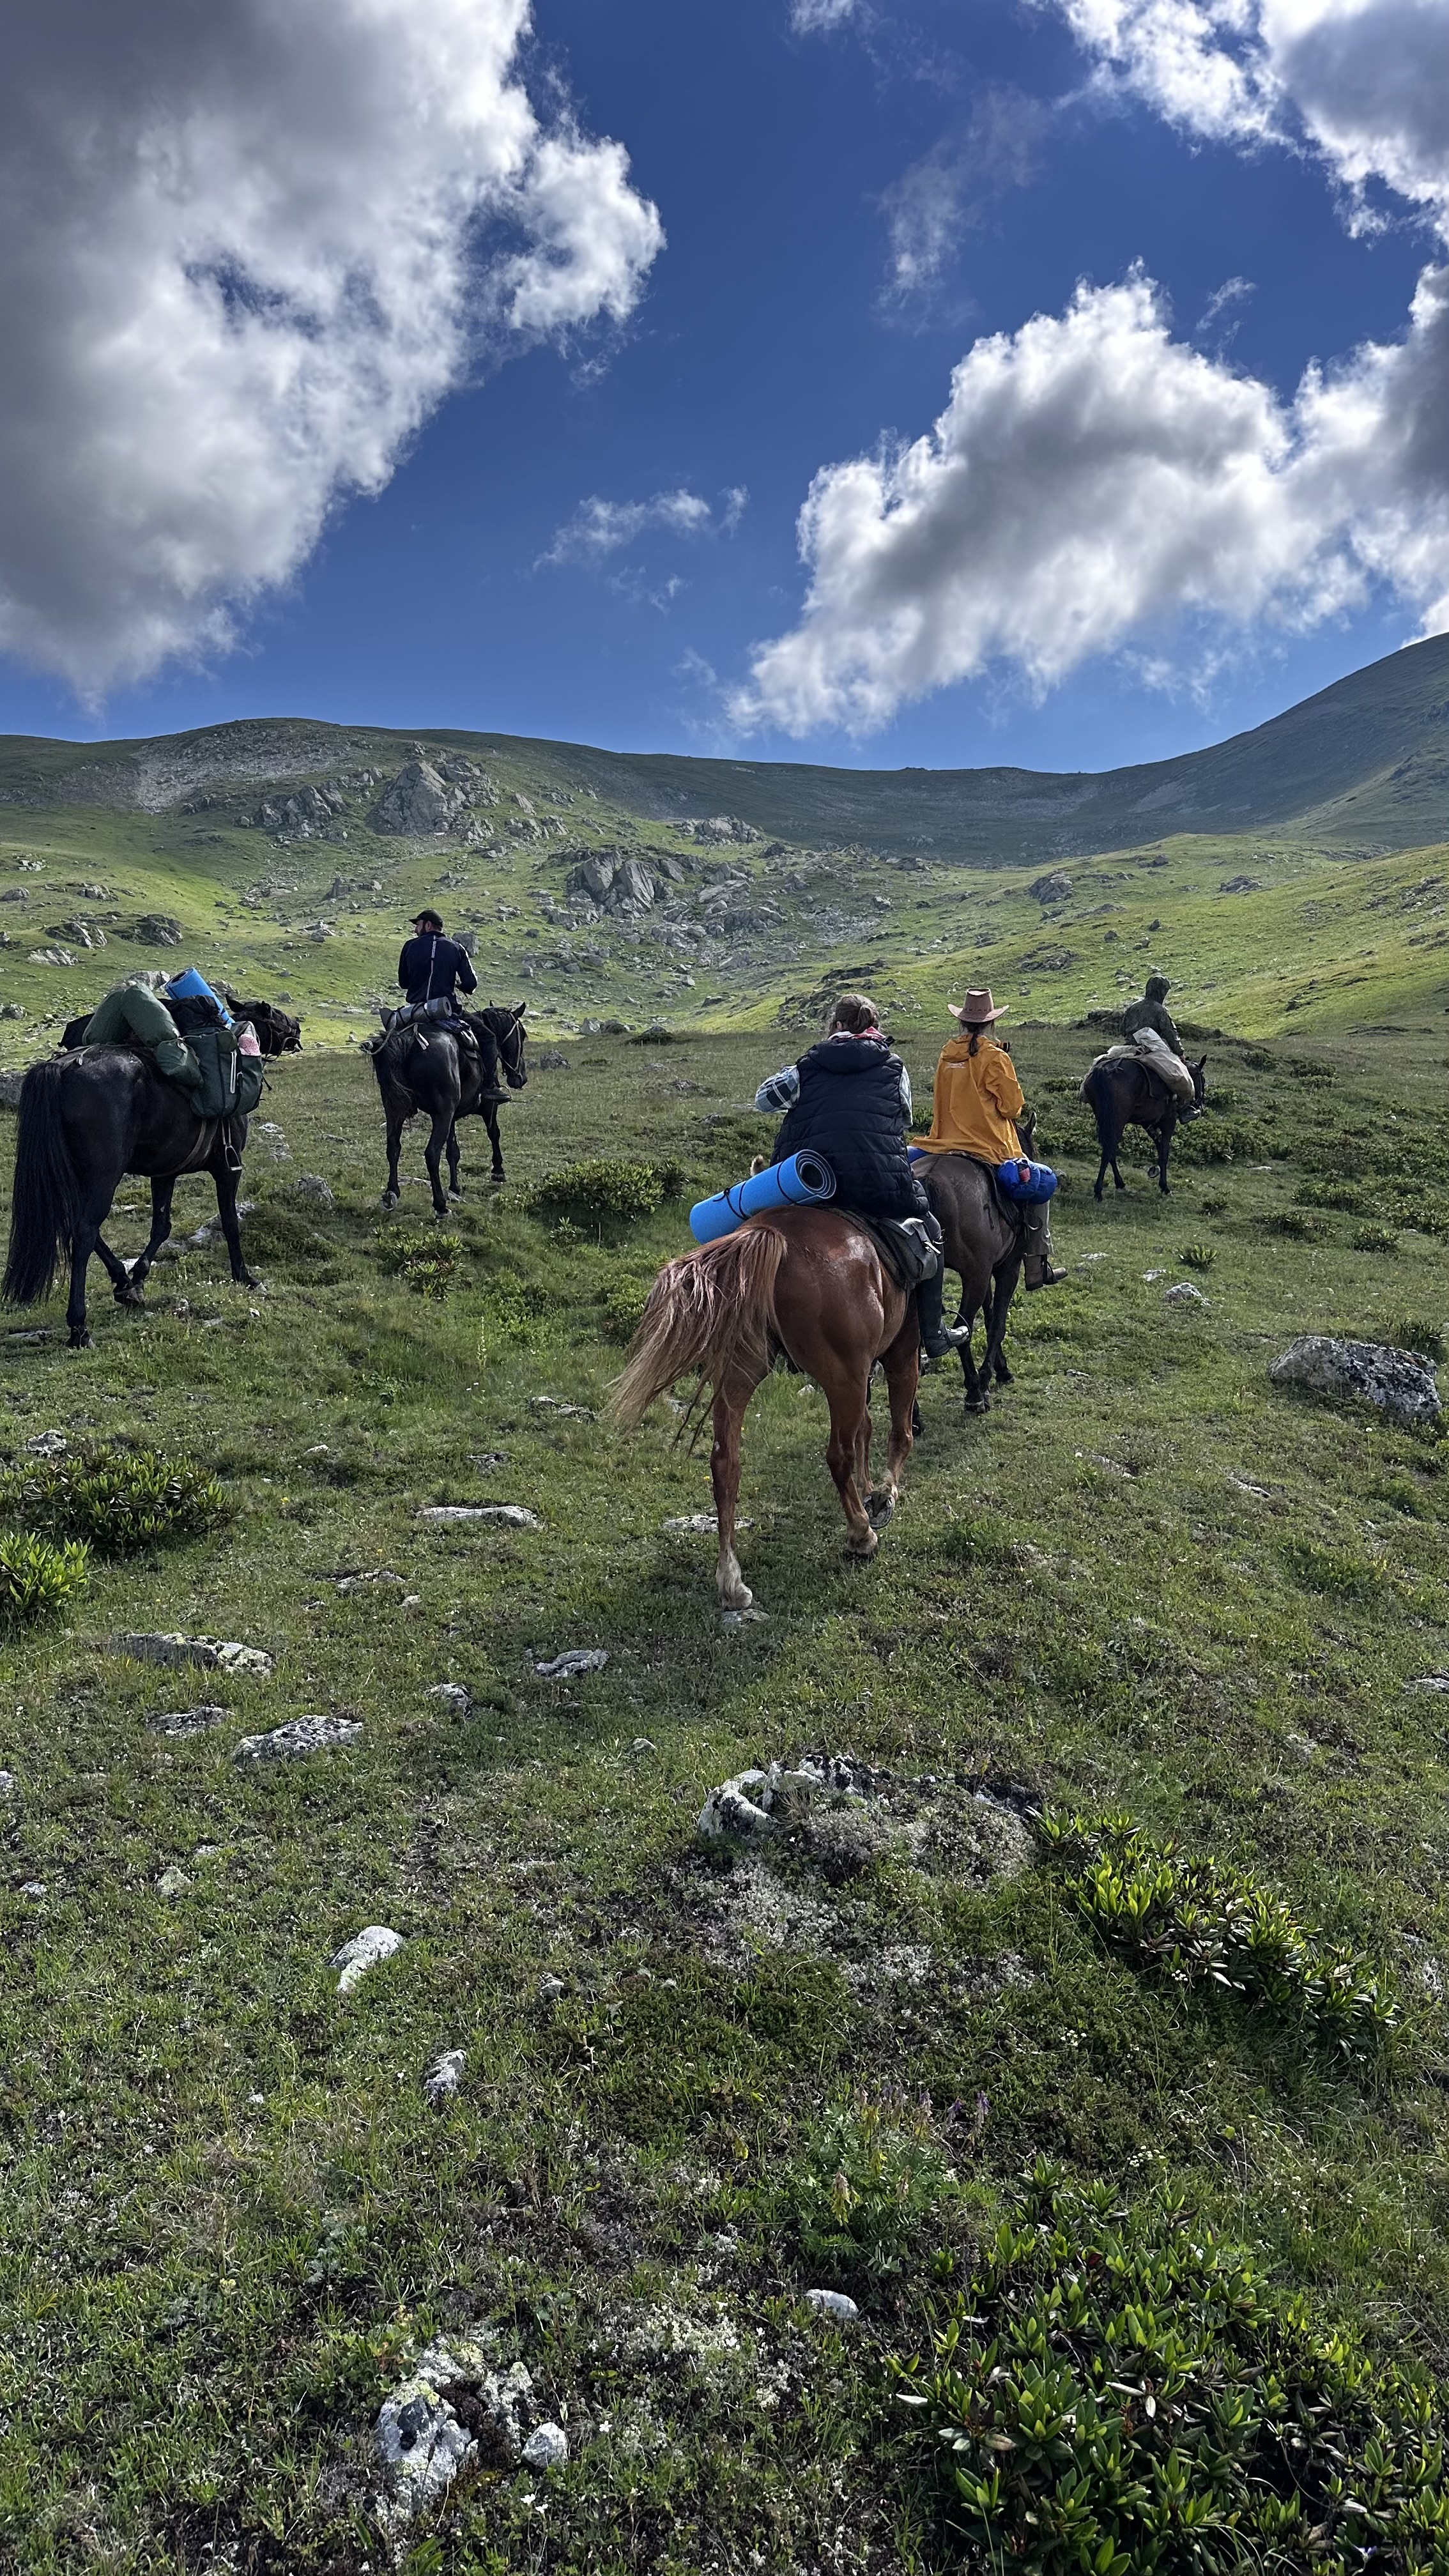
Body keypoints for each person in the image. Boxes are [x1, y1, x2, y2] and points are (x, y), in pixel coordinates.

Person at [754, 992, 968, 1360]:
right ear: (874, 1028)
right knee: (930, 1230)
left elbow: (763, 1100)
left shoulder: (807, 1066)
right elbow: (903, 1119)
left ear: (835, 1027)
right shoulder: (894, 1067)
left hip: (809, 1183)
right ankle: (933, 1332)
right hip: (877, 1185)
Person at [914, 988, 1065, 1289]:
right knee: (1040, 1185)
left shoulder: (947, 1053)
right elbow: (1012, 1107)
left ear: (962, 1021)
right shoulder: (995, 1057)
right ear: (991, 1022)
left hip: (942, 1143)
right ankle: (1036, 1265)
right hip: (989, 1147)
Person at [397, 907, 479, 1013]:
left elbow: (404, 983)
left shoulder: (410, 946)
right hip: (446, 1010)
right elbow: (471, 984)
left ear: (428, 925)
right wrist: (459, 986)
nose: (415, 930)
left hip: (416, 1011)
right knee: (480, 1028)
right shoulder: (456, 948)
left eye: (418, 925)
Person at [1122, 974, 1183, 1056]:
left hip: (1129, 1047)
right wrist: (1180, 1053)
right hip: (1151, 1049)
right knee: (1172, 1068)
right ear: (1161, 992)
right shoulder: (1160, 1010)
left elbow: (1122, 1029)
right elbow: (1170, 1033)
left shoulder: (1133, 1007)